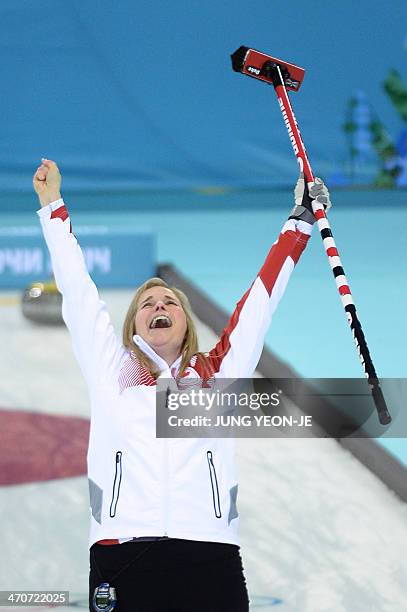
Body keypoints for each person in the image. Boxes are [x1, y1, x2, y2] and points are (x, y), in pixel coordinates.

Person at [33, 159, 331, 612]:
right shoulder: (113, 370)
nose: (159, 305)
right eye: (147, 302)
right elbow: (77, 289)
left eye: (169, 301)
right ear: (134, 322)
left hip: (210, 554)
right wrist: (52, 204)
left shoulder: (216, 374)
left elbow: (258, 303)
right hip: (122, 554)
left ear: (184, 322)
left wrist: (300, 223)